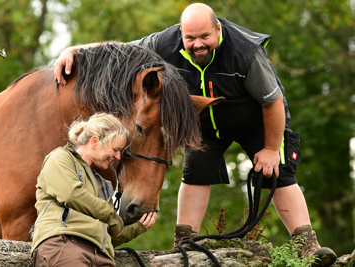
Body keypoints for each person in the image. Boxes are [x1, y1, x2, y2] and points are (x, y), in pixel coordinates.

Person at [53, 3, 336, 266]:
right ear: (181, 34)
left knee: (279, 173)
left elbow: (271, 101)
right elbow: (121, 49)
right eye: (190, 38)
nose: (197, 44)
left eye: (204, 37)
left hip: (255, 120)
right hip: (203, 120)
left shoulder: (246, 53)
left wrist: (272, 150)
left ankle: (306, 244)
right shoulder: (164, 43)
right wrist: (77, 50)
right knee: (195, 173)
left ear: (218, 30)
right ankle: (185, 242)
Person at [29, 113, 157, 267]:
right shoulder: (60, 158)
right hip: (65, 245)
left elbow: (109, 234)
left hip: (102, 257)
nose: (117, 157)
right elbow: (71, 195)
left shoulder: (104, 184)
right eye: (115, 149)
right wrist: (111, 216)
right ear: (95, 142)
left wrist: (138, 228)